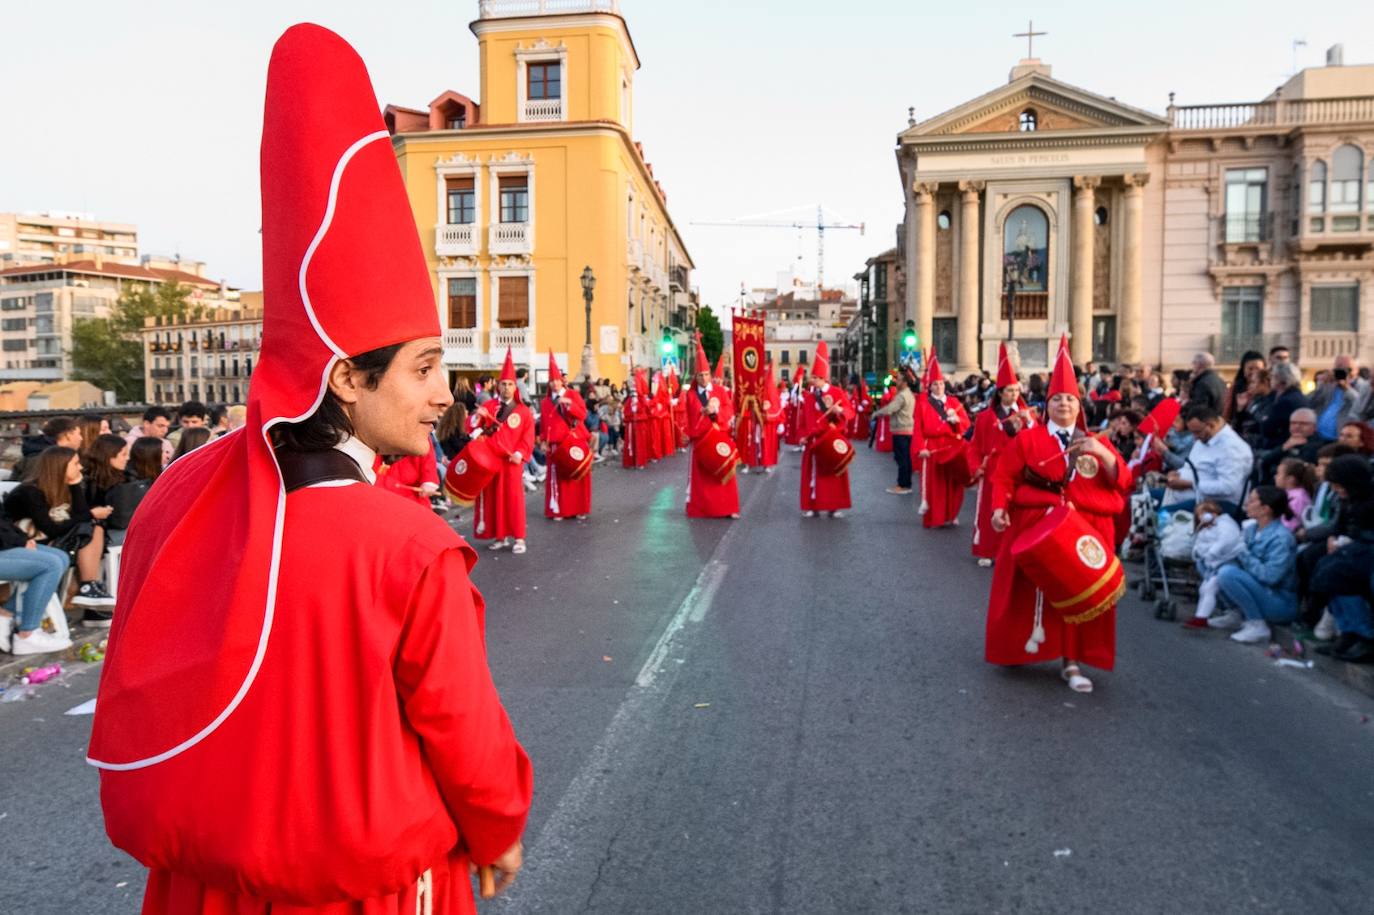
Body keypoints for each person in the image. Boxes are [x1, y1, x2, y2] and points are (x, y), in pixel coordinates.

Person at [88, 26, 530, 913]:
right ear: (344, 376)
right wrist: (499, 829)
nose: (443, 395)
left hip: (200, 887)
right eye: (421, 368)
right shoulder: (408, 545)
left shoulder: (183, 490)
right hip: (364, 889)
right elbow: (464, 734)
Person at [986, 337, 1133, 693]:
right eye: (1056, 399)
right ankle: (1021, 646)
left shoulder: (1096, 441)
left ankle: (1072, 660)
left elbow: (1123, 481)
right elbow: (1005, 475)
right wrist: (998, 509)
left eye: (1069, 398)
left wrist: (1105, 454)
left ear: (1078, 404)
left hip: (1082, 530)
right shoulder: (1028, 439)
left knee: (1076, 596)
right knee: (1026, 590)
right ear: (1046, 404)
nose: (1063, 404)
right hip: (1036, 525)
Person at [2, 446, 116, 621]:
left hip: (37, 540)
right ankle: (28, 628)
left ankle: (88, 586)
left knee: (92, 527)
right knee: (86, 529)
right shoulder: (30, 491)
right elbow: (51, 529)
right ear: (60, 466)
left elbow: (80, 515)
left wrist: (76, 487)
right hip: (17, 541)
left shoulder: (60, 487)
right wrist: (90, 514)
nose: (80, 468)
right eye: (75, 464)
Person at [1209, 486, 1299, 643]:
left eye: (1251, 501)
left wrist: (1242, 553)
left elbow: (1270, 577)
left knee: (1227, 573)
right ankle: (1236, 613)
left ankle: (1257, 624)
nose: (1246, 504)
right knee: (1213, 566)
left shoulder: (1281, 538)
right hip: (1260, 590)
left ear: (1265, 509)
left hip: (1278, 601)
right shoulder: (1251, 529)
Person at [969, 345, 1029, 564]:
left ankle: (1012, 550)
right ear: (1000, 393)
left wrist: (1028, 423)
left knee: (1015, 510)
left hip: (1017, 471)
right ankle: (986, 549)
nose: (1014, 395)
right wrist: (976, 466)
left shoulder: (1026, 417)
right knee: (989, 510)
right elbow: (974, 446)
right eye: (1009, 391)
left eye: (1016, 390)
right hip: (993, 468)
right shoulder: (985, 417)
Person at [472, 349, 535, 554]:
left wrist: (521, 453)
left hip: (511, 462)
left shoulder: (523, 411)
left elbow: (527, 437)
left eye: (509, 384)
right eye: (503, 384)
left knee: (513, 500)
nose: (506, 388)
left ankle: (519, 537)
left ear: (514, 387)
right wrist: (477, 417)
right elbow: (470, 427)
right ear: (497, 386)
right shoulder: (489, 406)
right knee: (494, 499)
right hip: (491, 461)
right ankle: (500, 536)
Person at [911, 353, 971, 529]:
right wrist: (920, 448)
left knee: (953, 482)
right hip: (932, 448)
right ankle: (935, 516)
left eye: (941, 383)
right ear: (930, 387)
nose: (939, 387)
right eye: (935, 384)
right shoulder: (923, 404)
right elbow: (918, 429)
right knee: (935, 484)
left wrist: (957, 423)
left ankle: (952, 514)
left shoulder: (953, 402)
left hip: (952, 447)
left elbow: (966, 425)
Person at [798, 342, 855, 519]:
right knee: (812, 474)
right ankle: (812, 506)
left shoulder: (837, 393)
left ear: (822, 378)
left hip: (830, 439)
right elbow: (804, 419)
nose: (811, 380)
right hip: (814, 441)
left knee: (832, 474)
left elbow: (849, 412)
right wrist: (802, 436)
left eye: (814, 377)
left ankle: (833, 506)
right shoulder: (809, 397)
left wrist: (840, 411)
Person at [684, 336, 739, 519]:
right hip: (701, 441)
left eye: (706, 374)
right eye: (700, 375)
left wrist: (716, 413)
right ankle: (702, 509)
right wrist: (702, 414)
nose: (704, 378)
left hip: (718, 436)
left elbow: (729, 411)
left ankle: (728, 508)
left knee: (724, 473)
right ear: (696, 376)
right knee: (702, 479)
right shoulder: (690, 396)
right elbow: (687, 418)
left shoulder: (720, 391)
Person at [1161, 404, 1253, 514]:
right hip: (1190, 495)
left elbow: (1228, 487)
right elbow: (1189, 465)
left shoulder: (1232, 448)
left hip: (1218, 504)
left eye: (1197, 432)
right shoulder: (1204, 439)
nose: (1194, 437)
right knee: (1145, 497)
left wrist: (1191, 484)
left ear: (1211, 425)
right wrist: (1176, 474)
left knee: (1162, 514)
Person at [540, 351, 591, 521]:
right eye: (551, 381)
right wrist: (543, 440)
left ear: (561, 380)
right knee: (559, 479)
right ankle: (559, 509)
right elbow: (545, 422)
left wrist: (569, 405)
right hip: (555, 444)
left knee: (577, 476)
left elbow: (583, 415)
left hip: (572, 441)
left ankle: (579, 508)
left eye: (557, 380)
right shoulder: (546, 401)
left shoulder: (572, 395)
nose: (554, 384)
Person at [1180, 500, 1246, 630]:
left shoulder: (1225, 524)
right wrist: (1199, 552)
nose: (1202, 517)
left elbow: (1226, 540)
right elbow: (1197, 546)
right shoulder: (1206, 529)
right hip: (1213, 565)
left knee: (1210, 587)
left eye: (1204, 513)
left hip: (1226, 562)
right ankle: (1200, 616)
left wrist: (1211, 552)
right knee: (1204, 589)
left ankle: (1201, 618)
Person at [1258, 407, 1327, 483]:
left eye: (1303, 424)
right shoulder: (1288, 438)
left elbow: (1294, 470)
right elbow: (1265, 460)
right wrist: (1284, 447)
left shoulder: (1316, 445)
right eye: (1293, 423)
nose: (1297, 427)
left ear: (1315, 427)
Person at [873, 372, 915, 493]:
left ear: (905, 383)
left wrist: (876, 413)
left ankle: (902, 485)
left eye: (899, 380)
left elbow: (891, 408)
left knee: (901, 458)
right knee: (905, 458)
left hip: (901, 429)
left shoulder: (902, 396)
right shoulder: (909, 394)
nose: (897, 382)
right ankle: (907, 484)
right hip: (906, 429)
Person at [10, 415, 83, 481]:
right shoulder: (45, 459)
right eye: (79, 434)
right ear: (68, 435)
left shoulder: (35, 454)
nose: (81, 438)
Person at [1275, 458, 1315, 533]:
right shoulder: (1287, 493)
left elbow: (1289, 526)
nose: (1275, 476)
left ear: (1290, 479)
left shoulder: (1298, 498)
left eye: (1278, 473)